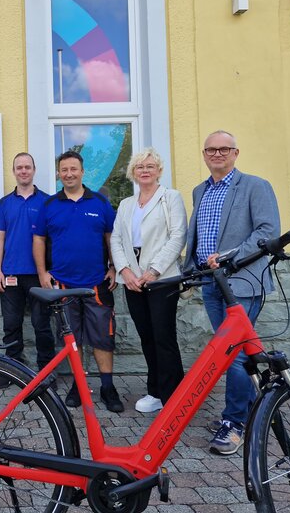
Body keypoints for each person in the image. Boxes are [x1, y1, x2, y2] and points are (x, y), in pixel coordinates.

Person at [185, 130, 280, 455]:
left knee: (236, 353)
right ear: (204, 154)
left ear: (235, 153)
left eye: (224, 149)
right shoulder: (200, 190)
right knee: (231, 352)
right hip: (211, 282)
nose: (217, 154)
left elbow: (267, 231)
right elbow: (198, 234)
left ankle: (235, 422)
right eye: (211, 149)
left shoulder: (255, 186)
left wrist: (229, 256)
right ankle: (252, 412)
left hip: (242, 283)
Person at [32, 150, 123, 413]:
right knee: (72, 338)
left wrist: (114, 266)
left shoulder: (100, 202)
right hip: (62, 284)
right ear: (59, 174)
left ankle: (107, 387)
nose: (69, 174)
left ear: (82, 172)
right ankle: (78, 385)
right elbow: (38, 239)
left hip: (97, 283)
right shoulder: (49, 205)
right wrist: (42, 272)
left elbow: (111, 237)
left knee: (103, 338)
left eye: (74, 169)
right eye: (64, 170)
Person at [110, 148, 187, 414]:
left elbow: (178, 236)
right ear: (133, 171)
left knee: (164, 337)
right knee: (147, 337)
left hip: (162, 279)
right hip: (133, 280)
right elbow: (116, 239)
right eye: (140, 166)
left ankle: (173, 396)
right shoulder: (126, 204)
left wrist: (154, 271)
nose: (145, 170)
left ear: (159, 171)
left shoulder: (170, 198)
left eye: (150, 166)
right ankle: (155, 391)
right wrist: (125, 271)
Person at [0, 153, 55, 388]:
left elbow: (54, 238)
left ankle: (46, 373)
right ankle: (12, 371)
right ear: (14, 171)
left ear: (34, 170)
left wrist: (51, 271)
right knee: (11, 325)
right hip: (10, 274)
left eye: (27, 167)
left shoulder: (48, 202)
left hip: (39, 275)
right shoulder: (5, 203)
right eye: (19, 167)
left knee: (42, 325)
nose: (23, 171)